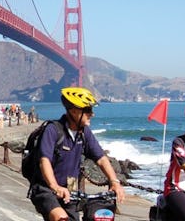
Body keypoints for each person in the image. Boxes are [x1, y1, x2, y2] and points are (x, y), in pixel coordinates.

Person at [29, 87, 126, 221]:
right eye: (87, 110)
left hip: (71, 193)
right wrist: (55, 186)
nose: (92, 114)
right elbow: (44, 161)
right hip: (46, 190)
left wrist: (114, 182)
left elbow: (101, 159)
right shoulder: (52, 130)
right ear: (74, 111)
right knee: (61, 218)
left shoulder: (84, 133)